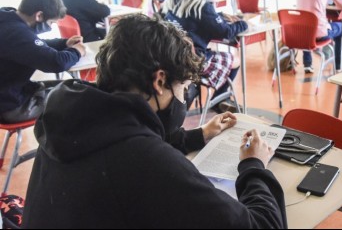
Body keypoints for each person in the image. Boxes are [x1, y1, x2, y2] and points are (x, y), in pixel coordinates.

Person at [21, 15, 287, 229]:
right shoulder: (146, 161)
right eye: (182, 87)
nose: (183, 98)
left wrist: (197, 136)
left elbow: (122, 137)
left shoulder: (69, 116)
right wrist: (254, 165)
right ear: (160, 81)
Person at [164, 0, 247, 113]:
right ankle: (219, 99)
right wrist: (242, 23)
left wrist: (219, 16)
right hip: (193, 61)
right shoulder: (203, 6)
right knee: (235, 60)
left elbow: (194, 19)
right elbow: (226, 32)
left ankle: (216, 97)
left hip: (170, 55)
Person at [0, 0, 86, 124]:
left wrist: (64, 43)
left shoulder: (7, 19)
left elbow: (32, 45)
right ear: (39, 16)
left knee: (77, 86)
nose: (51, 27)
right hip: (12, 106)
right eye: (51, 22)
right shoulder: (16, 33)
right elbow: (56, 63)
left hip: (12, 93)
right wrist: (77, 51)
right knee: (80, 97)